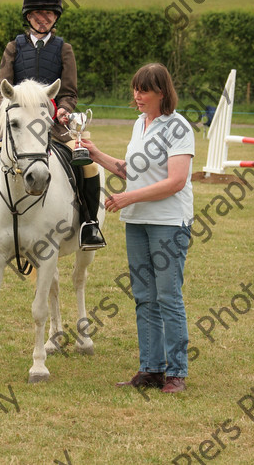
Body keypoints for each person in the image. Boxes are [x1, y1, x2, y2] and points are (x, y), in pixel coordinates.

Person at [0, 0, 105, 255]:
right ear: (28, 17)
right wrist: (13, 114)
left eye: (49, 13)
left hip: (54, 129)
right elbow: (2, 89)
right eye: (37, 13)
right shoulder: (14, 47)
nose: (43, 17)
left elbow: (69, 92)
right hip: (17, 131)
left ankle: (89, 224)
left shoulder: (64, 49)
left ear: (56, 17)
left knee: (89, 168)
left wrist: (63, 110)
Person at [81, 63, 194, 393]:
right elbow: (133, 169)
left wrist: (128, 197)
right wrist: (96, 154)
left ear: (162, 92)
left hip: (169, 223)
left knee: (168, 296)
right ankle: (151, 370)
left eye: (143, 90)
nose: (137, 95)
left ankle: (176, 373)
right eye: (135, 89)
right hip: (137, 222)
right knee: (144, 297)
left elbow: (175, 181)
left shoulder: (179, 128)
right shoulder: (140, 124)